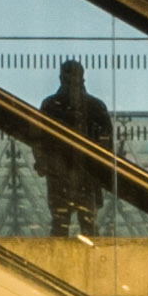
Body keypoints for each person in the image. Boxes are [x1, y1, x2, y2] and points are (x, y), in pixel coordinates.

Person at [35, 60, 113, 237]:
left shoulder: (49, 105)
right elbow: (106, 144)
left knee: (60, 225)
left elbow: (38, 139)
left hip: (58, 175)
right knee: (88, 225)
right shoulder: (96, 106)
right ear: (82, 77)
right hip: (88, 174)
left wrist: (44, 164)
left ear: (60, 77)